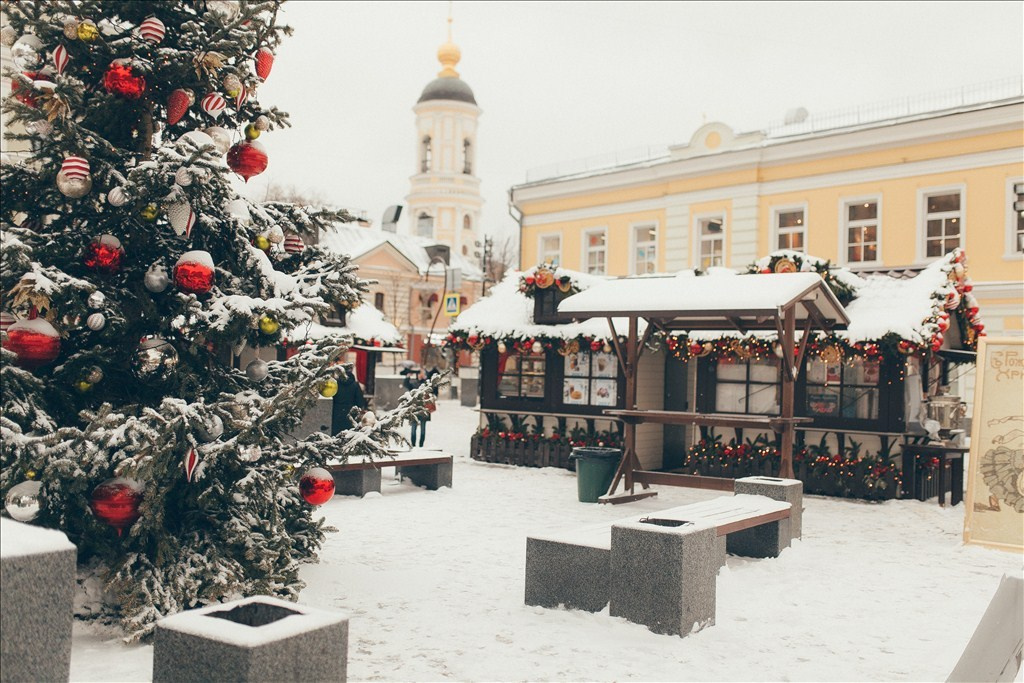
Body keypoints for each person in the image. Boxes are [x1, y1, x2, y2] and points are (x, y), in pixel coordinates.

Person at [402, 366, 432, 447]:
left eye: (421, 373)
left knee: (422, 430)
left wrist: (426, 378)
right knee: (413, 429)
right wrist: (408, 376)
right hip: (414, 410)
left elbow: (431, 387)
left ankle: (421, 445)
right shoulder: (413, 384)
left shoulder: (426, 384)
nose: (420, 375)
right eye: (419, 373)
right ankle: (413, 445)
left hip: (424, 410)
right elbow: (406, 384)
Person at [331, 367, 367, 434]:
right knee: (349, 434)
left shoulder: (336, 384)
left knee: (336, 434)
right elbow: (360, 401)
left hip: (337, 412)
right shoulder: (355, 385)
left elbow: (332, 398)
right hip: (351, 413)